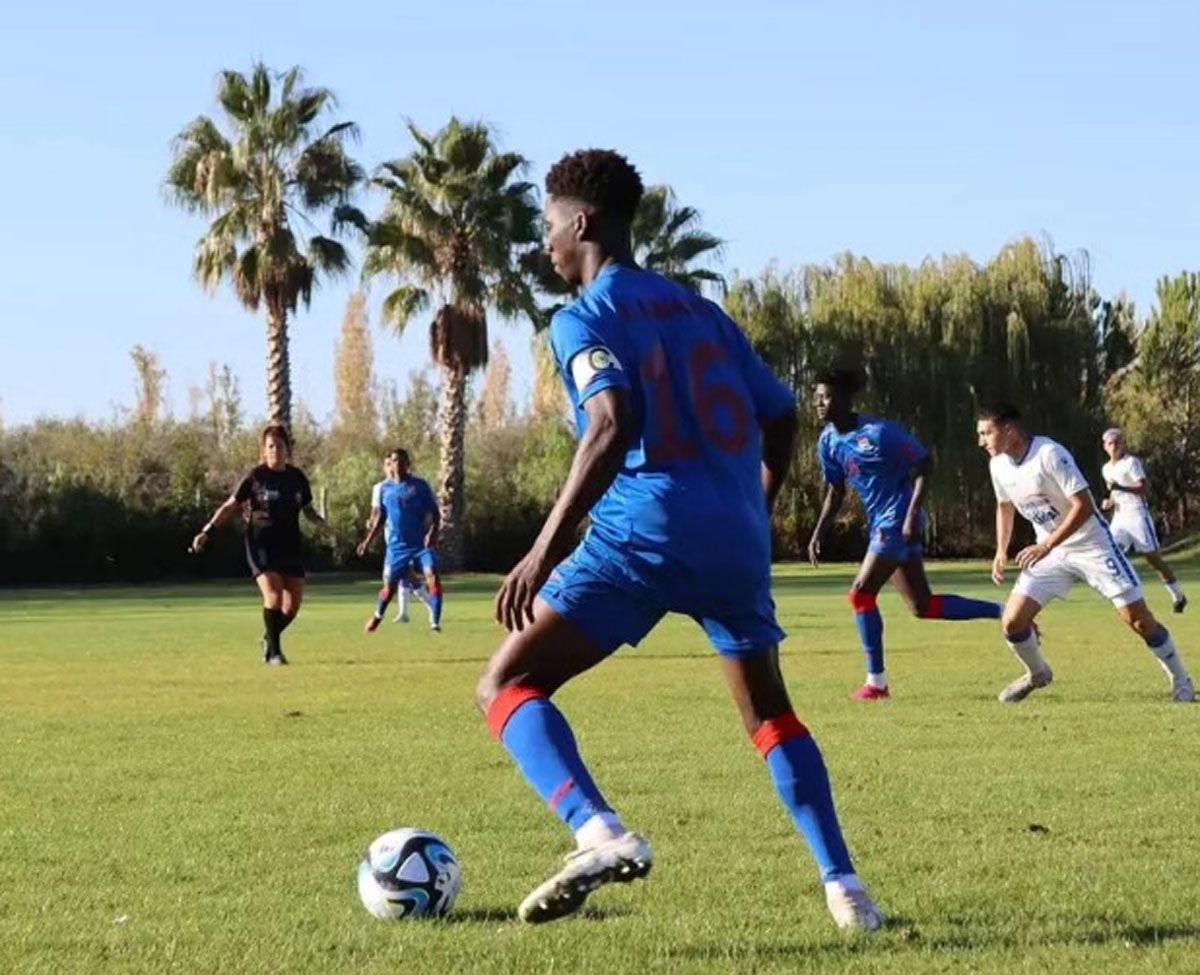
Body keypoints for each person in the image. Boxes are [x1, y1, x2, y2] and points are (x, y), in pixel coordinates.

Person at [475, 149, 884, 930]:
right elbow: (781, 413)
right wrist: (758, 497)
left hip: (645, 531)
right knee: (769, 712)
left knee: (506, 683)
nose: (546, 242)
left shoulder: (584, 316)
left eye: (549, 225)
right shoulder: (703, 312)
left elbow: (610, 423)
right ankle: (846, 889)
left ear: (581, 224)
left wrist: (543, 548)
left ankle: (598, 831)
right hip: (735, 537)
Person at [977, 404, 1194, 703]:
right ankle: (1038, 674)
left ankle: (1182, 681)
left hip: (1091, 545)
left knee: (1139, 620)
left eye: (986, 433)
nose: (981, 441)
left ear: (1009, 430)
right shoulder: (998, 465)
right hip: (1051, 552)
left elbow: (1084, 506)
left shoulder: (1049, 454)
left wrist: (1046, 545)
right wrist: (1001, 550)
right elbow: (1004, 506)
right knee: (1013, 622)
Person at [808, 370, 1001, 700]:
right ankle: (1005, 611)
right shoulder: (828, 442)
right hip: (881, 523)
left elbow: (924, 463)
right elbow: (835, 490)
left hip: (897, 518)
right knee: (922, 606)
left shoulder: (879, 433)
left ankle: (876, 683)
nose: (819, 403)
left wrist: (912, 514)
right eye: (816, 398)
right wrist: (819, 531)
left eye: (825, 397)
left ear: (844, 399)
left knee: (860, 594)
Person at [191, 424, 328, 666]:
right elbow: (229, 506)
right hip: (261, 545)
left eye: (280, 446)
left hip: (290, 546)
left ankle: (269, 639)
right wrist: (207, 531)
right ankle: (274, 653)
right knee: (273, 596)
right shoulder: (256, 477)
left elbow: (307, 509)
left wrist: (320, 522)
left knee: (292, 607)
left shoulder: (297, 478)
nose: (275, 451)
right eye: (270, 446)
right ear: (264, 450)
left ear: (288, 449)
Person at [1101, 428, 1187, 613]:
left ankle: (1178, 596)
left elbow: (1142, 488)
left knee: (1154, 560)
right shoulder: (1106, 469)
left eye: (1117, 442)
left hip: (1137, 515)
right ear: (1105, 446)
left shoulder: (1131, 463)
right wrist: (1109, 502)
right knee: (1112, 553)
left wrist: (1120, 488)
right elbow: (1114, 493)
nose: (1114, 446)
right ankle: (1128, 598)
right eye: (1111, 443)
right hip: (1120, 518)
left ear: (1123, 444)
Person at [357, 448, 443, 632]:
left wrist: (433, 531)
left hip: (421, 545)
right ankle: (377, 617)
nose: (398, 464)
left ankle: (435, 623)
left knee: (432, 575)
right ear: (390, 464)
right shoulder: (385, 489)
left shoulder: (419, 486)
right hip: (397, 548)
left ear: (408, 464)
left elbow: (435, 512)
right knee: (389, 589)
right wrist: (367, 541)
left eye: (402, 460)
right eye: (395, 460)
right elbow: (380, 518)